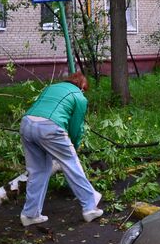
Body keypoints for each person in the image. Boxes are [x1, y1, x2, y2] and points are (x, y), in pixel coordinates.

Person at [18, 72, 103, 227]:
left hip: (26, 124)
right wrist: (74, 148)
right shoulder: (79, 97)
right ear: (82, 86)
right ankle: (90, 207)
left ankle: (30, 215)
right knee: (71, 163)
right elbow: (76, 128)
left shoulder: (52, 87)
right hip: (50, 127)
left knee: (38, 170)